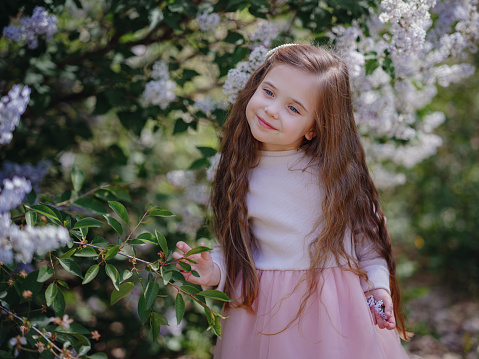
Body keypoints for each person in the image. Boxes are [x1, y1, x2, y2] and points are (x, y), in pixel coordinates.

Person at [173, 44, 409, 359]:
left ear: (314, 127)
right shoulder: (239, 169)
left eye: (294, 108)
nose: (271, 109)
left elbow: (367, 245)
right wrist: (213, 270)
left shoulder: (334, 175)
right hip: (264, 312)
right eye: (269, 92)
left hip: (336, 313)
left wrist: (378, 288)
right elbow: (238, 248)